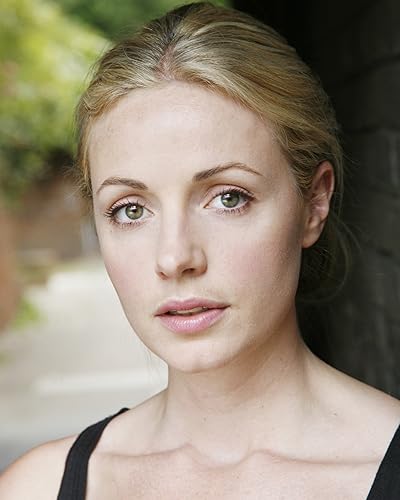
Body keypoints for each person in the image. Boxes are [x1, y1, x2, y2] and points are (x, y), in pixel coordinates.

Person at [1, 2, 399, 499]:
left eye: (228, 198)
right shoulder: (34, 488)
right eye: (130, 209)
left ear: (314, 204)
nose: (174, 258)